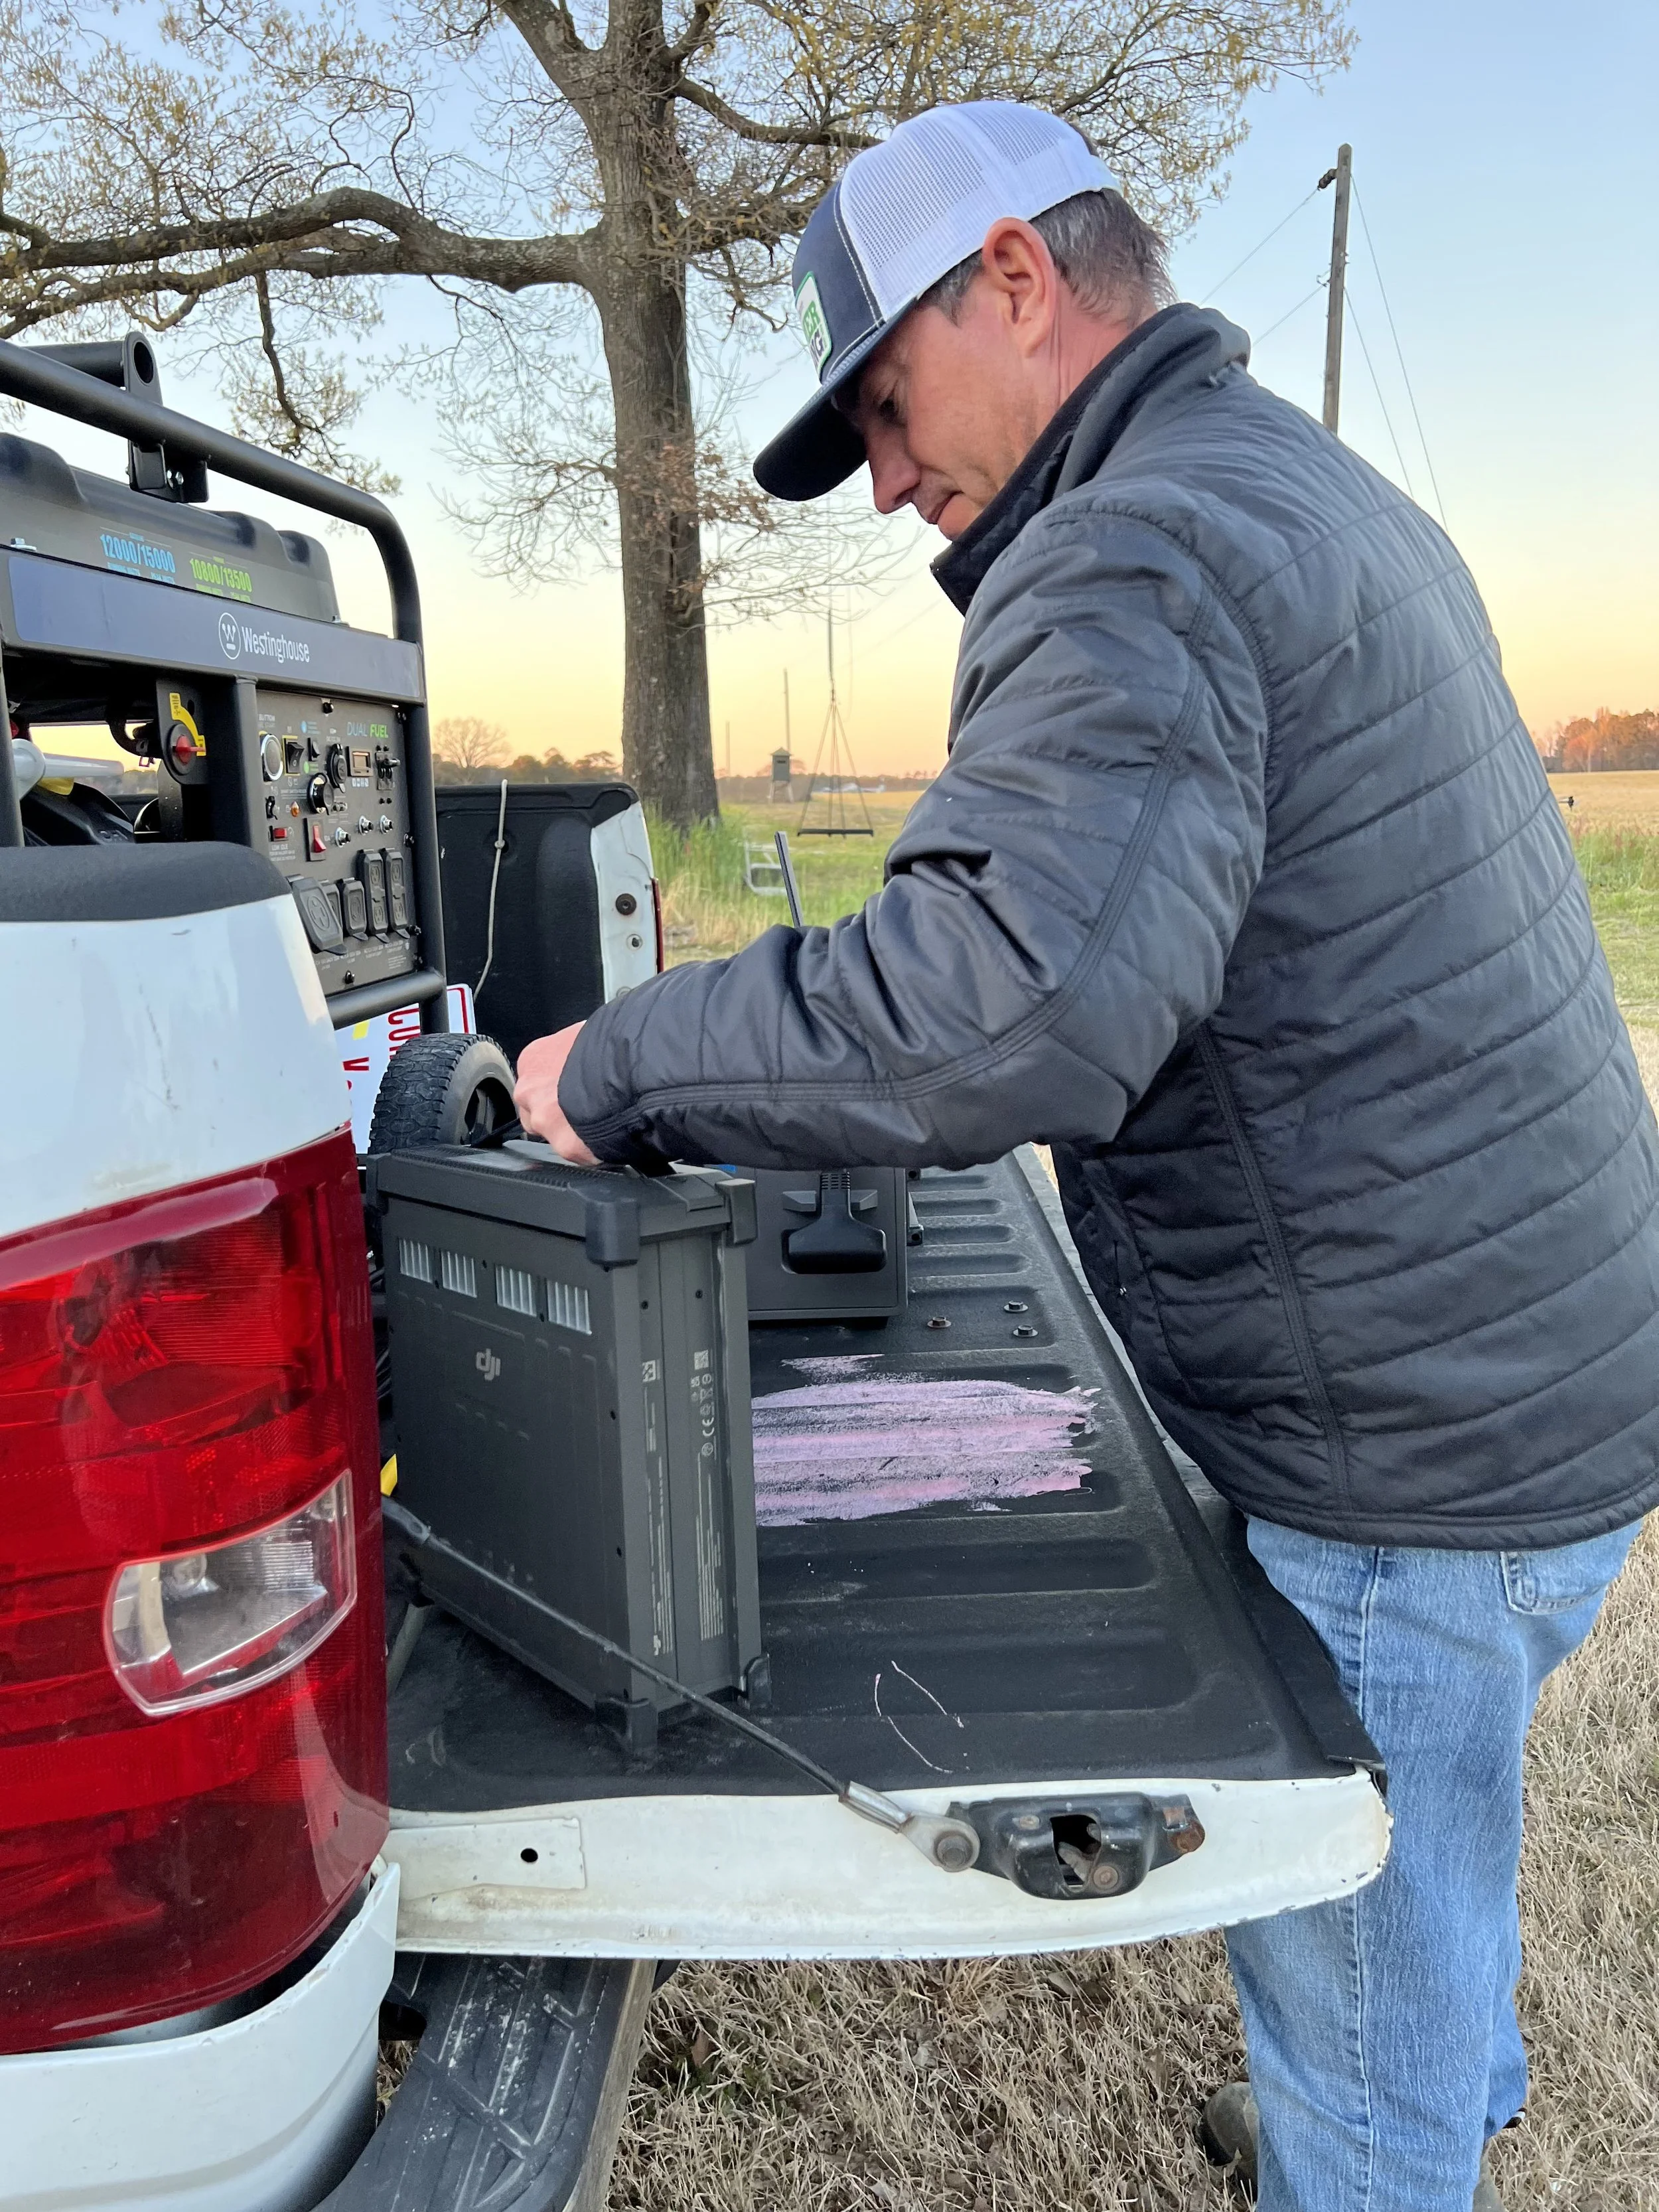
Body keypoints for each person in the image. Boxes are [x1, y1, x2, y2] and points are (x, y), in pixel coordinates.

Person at [514, 101, 1659, 2212]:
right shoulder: (1291, 486)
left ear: (1017, 283)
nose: (878, 478)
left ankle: (1394, 2132)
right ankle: (1455, 2074)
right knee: (1434, 1846)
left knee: (1360, 2007)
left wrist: (621, 1064)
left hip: (1419, 1459)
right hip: (1544, 1368)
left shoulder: (1134, 542)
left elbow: (1000, 1000)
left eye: (880, 400)